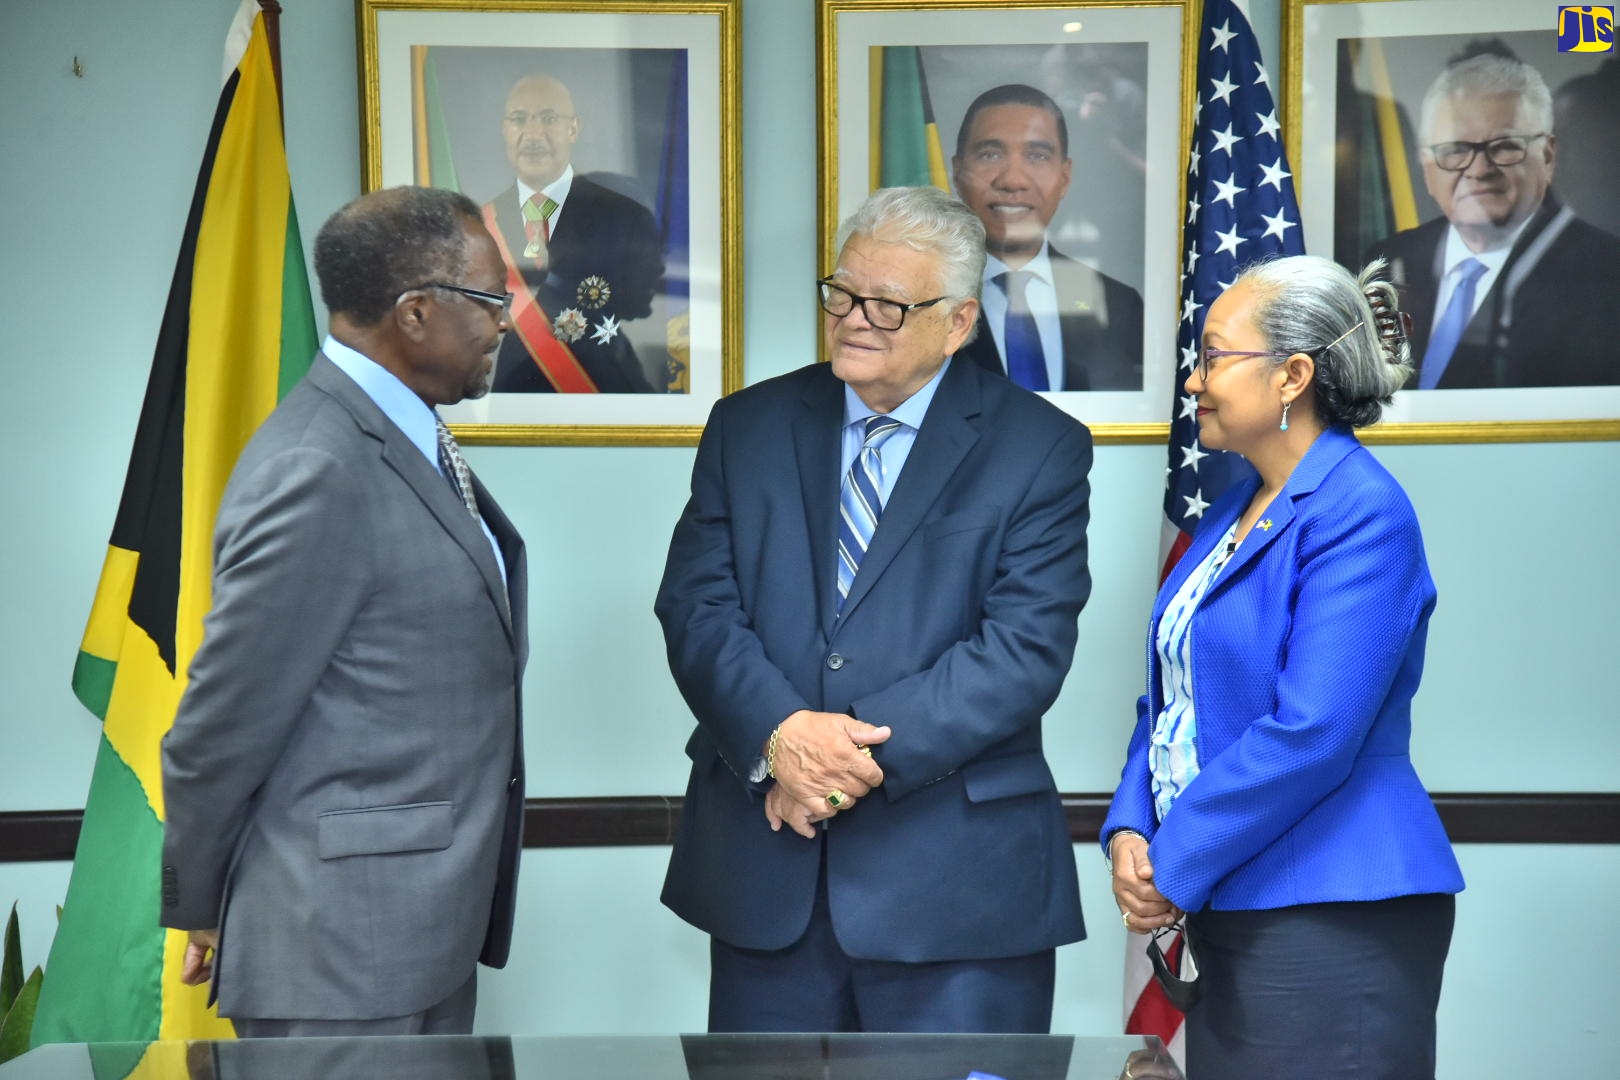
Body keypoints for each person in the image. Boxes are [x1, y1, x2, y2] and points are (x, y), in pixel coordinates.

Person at [656, 186, 1092, 1033]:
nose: (854, 319)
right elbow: (696, 606)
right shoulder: (747, 426)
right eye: (842, 293)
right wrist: (781, 737)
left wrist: (832, 762)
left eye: (889, 305)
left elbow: (1022, 650)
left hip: (958, 892)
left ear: (958, 322)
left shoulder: (1040, 448)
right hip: (767, 876)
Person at [159, 186, 529, 1037]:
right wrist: (201, 897)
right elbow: (221, 721)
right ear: (415, 313)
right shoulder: (317, 466)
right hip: (337, 958)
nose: (504, 322)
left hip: (419, 935)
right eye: (489, 299)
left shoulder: (400, 437)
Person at [1102, 255, 1465, 1078]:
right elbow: (1172, 697)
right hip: (1236, 896)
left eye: (1213, 357)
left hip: (1332, 914)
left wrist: (1173, 858)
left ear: (1293, 376)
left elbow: (1313, 732)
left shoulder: (1362, 510)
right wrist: (1130, 830)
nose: (1193, 380)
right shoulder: (1234, 505)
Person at [1366, 52, 1620, 388]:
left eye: (1504, 146)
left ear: (1547, 156)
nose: (1479, 169)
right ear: (1427, 166)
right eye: (1456, 149)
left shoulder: (1606, 273)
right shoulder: (1385, 260)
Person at [950, 83, 1143, 391]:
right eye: (990, 155)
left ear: (1064, 177)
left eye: (1037, 156)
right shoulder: (923, 304)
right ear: (958, 173)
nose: (1013, 180)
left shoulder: (1119, 305)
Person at [483, 73, 665, 393]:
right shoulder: (480, 224)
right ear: (504, 129)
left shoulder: (619, 212)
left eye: (549, 118)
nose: (533, 134)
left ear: (574, 128)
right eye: (519, 119)